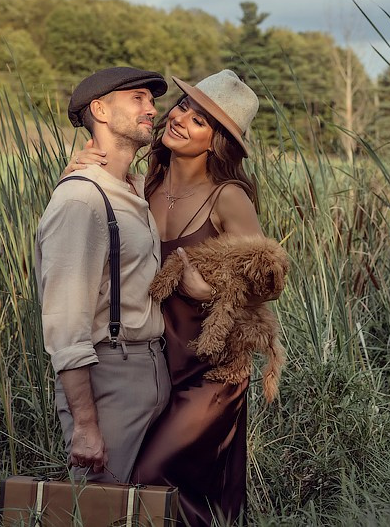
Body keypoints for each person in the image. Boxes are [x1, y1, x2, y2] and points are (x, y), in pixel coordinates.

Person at [67, 69, 269, 525]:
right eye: (182, 107)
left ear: (218, 141)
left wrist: (212, 289)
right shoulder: (143, 187)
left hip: (211, 369)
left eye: (200, 120)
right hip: (156, 361)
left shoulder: (228, 197)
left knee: (153, 475)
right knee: (157, 488)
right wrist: (75, 170)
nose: (180, 118)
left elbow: (268, 278)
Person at [35, 66, 172, 483]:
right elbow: (65, 323)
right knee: (97, 510)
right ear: (100, 110)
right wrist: (86, 425)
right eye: (138, 98)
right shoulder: (81, 198)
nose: (151, 108)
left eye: (152, 100)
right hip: (108, 376)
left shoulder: (136, 187)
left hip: (152, 367)